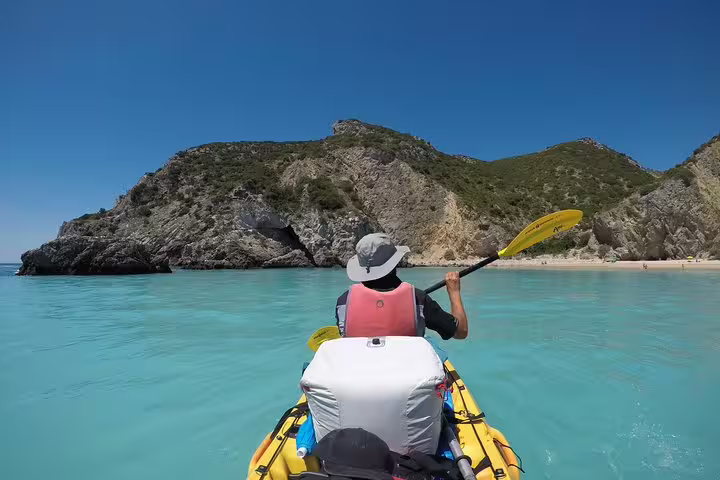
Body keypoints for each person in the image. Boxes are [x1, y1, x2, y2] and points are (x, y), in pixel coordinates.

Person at [335, 233, 469, 340]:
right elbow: (461, 332)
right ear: (394, 263)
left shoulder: (344, 301)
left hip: (360, 372)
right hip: (406, 371)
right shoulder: (418, 299)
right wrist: (454, 291)